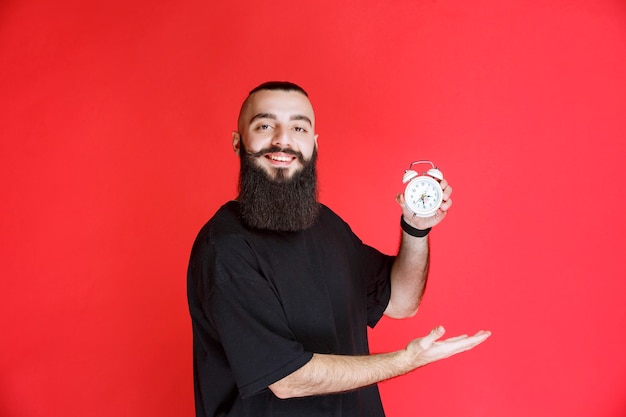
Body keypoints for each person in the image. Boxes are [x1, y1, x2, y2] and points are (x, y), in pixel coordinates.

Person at [187, 81, 491, 417]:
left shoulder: (326, 225)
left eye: (298, 127)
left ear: (314, 144)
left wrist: (416, 228)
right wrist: (407, 360)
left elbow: (402, 302)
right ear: (237, 142)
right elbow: (287, 379)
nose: (283, 139)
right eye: (264, 125)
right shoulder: (226, 249)